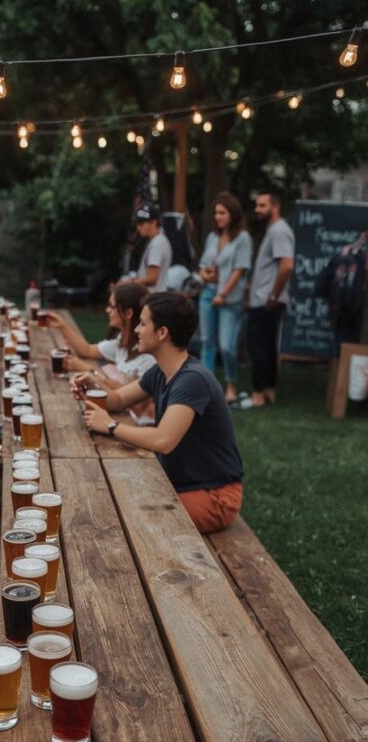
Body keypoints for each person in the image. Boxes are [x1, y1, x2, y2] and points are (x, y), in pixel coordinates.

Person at [76, 292, 244, 534]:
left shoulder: (192, 380)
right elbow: (120, 398)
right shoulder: (161, 371)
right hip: (183, 484)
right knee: (111, 498)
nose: (136, 330)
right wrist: (92, 384)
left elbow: (163, 440)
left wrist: (111, 426)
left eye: (143, 324)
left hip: (213, 495)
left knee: (125, 521)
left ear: (162, 333)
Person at [45, 284, 155, 415]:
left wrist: (91, 372)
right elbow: (87, 350)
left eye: (112, 306)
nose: (107, 310)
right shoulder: (123, 342)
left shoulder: (148, 355)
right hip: (119, 411)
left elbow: (132, 398)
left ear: (128, 313)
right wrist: (61, 325)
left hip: (132, 419)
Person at [241, 189, 295, 409]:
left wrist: (273, 295)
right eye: (256, 206)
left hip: (266, 301)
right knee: (267, 348)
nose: (257, 210)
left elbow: (287, 265)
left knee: (258, 349)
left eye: (262, 205)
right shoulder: (273, 231)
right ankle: (269, 392)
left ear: (275, 206)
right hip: (263, 299)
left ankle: (257, 395)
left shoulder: (279, 231)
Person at [198, 192, 253, 404]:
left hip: (229, 299)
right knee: (207, 342)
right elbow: (203, 265)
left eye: (223, 212)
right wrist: (204, 275)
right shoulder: (212, 237)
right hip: (208, 293)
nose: (218, 217)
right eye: (216, 213)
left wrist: (223, 294)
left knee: (227, 346)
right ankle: (207, 388)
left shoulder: (243, 238)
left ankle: (231, 384)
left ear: (233, 213)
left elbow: (240, 269)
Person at [133, 204, 173, 292]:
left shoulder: (157, 244)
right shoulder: (158, 240)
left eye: (141, 223)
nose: (138, 228)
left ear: (154, 222)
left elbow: (152, 278)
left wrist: (129, 283)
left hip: (153, 297)